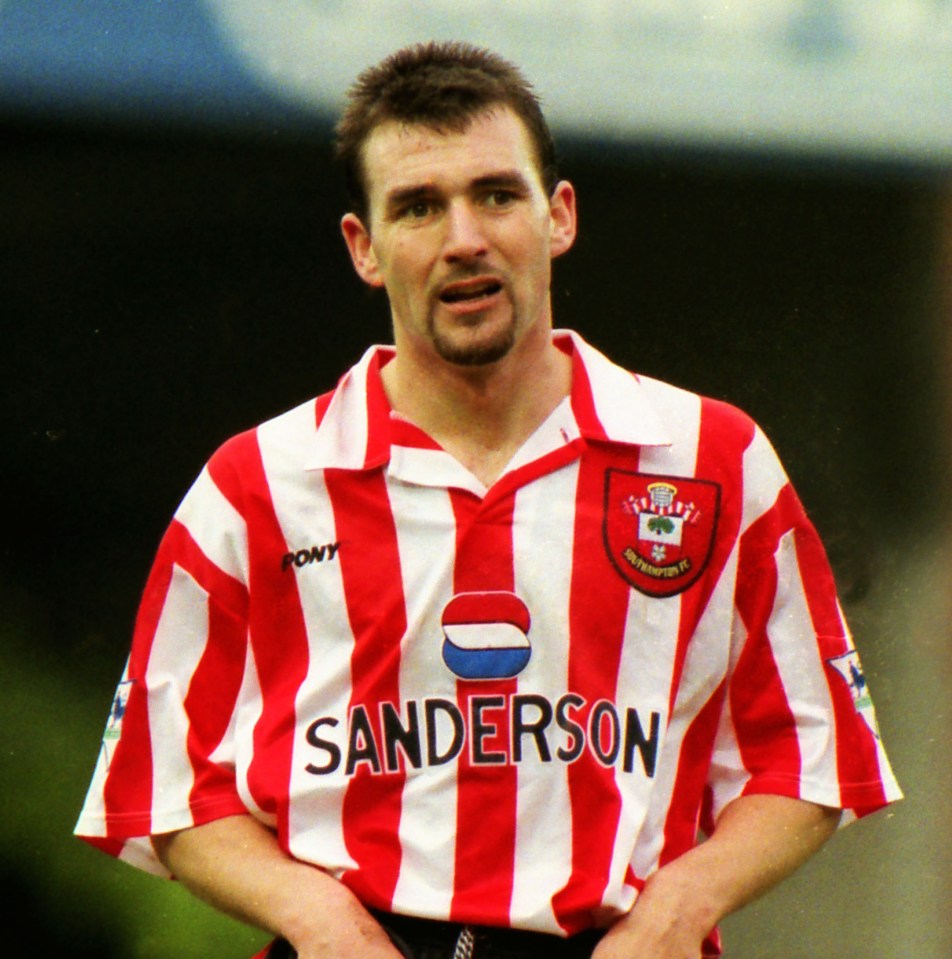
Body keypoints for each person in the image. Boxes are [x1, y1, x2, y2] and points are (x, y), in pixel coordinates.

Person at [75, 41, 901, 959]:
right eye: (419, 207)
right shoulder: (255, 484)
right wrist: (319, 919)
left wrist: (678, 909)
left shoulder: (712, 458)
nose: (463, 236)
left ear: (559, 216)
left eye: (496, 195)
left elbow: (812, 757)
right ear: (365, 248)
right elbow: (168, 787)